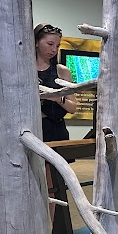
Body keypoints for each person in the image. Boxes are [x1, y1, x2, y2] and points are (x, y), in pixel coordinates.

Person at [34, 23, 77, 220]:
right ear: (36, 43)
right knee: (31, 181)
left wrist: (55, 97)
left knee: (53, 184)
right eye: (50, 44)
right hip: (30, 129)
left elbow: (72, 107)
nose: (54, 49)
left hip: (54, 130)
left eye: (57, 45)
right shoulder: (22, 68)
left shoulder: (61, 72)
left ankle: (52, 229)